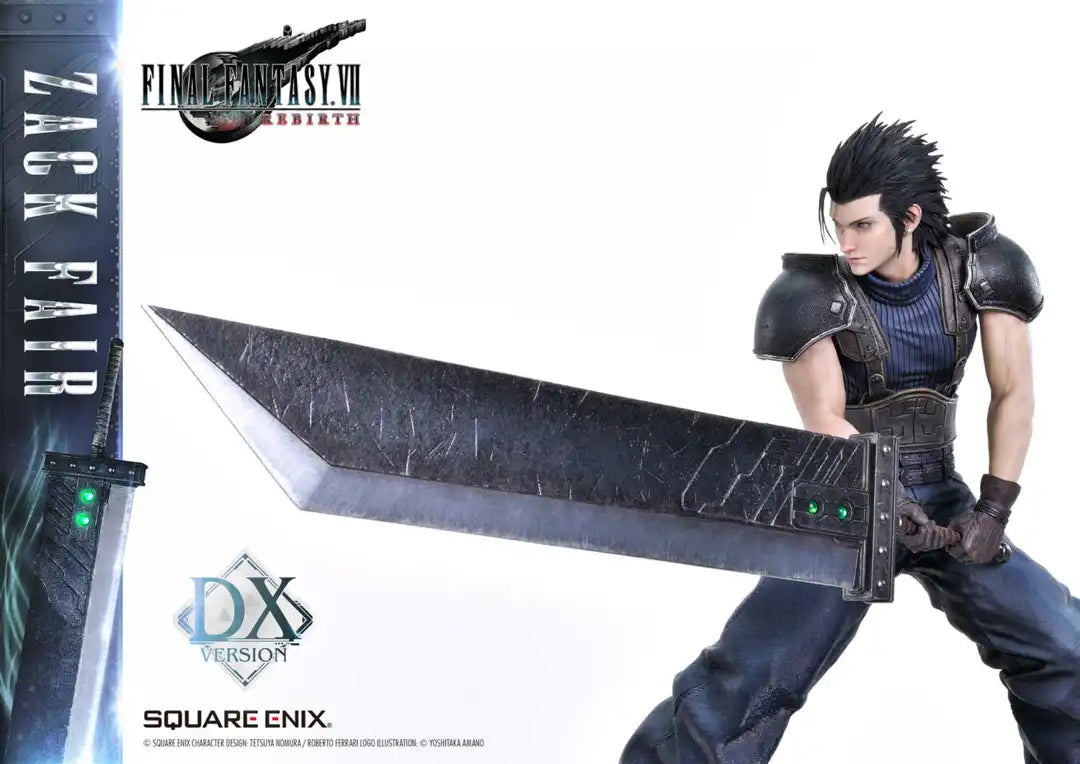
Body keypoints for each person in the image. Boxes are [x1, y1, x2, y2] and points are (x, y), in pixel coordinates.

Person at [619, 115, 1080, 764]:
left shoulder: (982, 268)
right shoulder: (812, 296)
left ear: (910, 218)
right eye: (839, 225)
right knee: (751, 677)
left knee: (1064, 645)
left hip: (944, 497)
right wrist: (890, 503)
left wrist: (993, 511)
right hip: (846, 501)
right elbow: (826, 420)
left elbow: (1014, 394)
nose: (847, 243)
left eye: (862, 225)